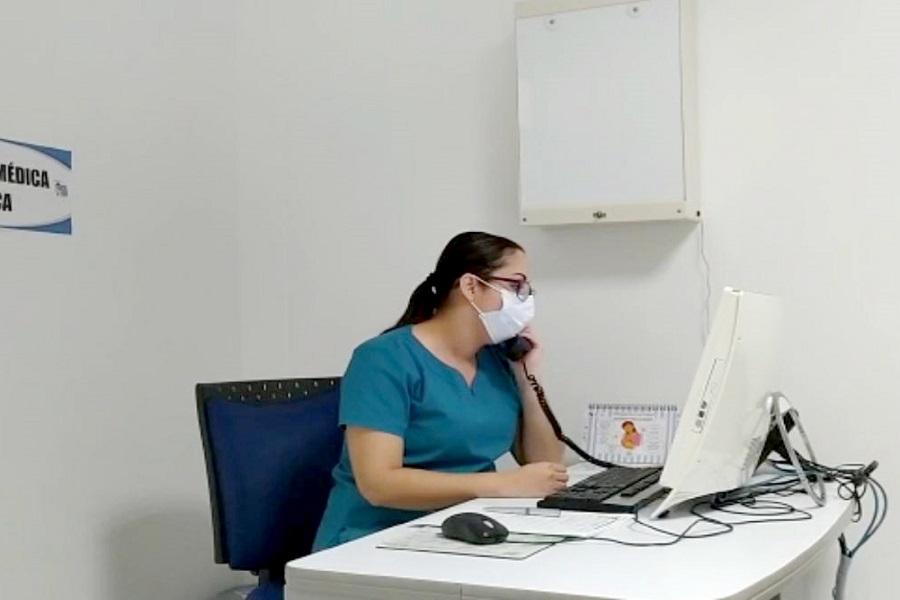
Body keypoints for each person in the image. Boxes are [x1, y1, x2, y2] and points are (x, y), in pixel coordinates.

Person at [312, 231, 567, 551]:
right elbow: (378, 484)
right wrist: (502, 484)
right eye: (516, 286)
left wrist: (528, 379)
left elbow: (546, 466)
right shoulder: (382, 359)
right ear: (471, 286)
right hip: (371, 539)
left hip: (460, 532)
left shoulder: (496, 360)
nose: (525, 299)